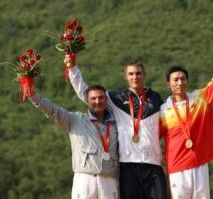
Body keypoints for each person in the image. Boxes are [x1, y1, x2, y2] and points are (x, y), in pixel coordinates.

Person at [159, 35, 213, 199]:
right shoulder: (163, 112)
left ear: (187, 81)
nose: (180, 83)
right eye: (175, 80)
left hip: (200, 164)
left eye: (183, 79)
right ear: (168, 84)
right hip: (177, 168)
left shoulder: (201, 99)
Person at [64, 59, 167, 198]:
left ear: (144, 75)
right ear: (126, 76)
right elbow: (86, 93)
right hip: (128, 166)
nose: (135, 77)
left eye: (138, 73)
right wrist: (72, 69)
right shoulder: (115, 98)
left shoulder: (156, 98)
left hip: (153, 164)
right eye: (131, 74)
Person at [27, 84, 119, 199]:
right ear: (87, 100)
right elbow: (53, 111)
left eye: (101, 97)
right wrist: (33, 96)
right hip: (85, 178)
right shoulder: (75, 119)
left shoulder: (117, 124)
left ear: (106, 99)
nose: (97, 101)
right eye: (93, 98)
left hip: (109, 179)